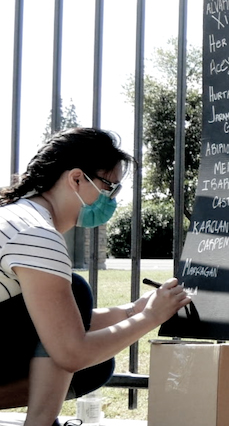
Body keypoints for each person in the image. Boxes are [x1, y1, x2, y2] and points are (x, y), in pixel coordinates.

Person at [0, 128, 191, 426]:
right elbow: (71, 353)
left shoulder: (17, 217)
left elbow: (50, 320)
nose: (111, 199)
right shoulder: (36, 234)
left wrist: (135, 310)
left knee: (96, 365)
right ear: (76, 178)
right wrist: (150, 317)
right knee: (77, 294)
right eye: (109, 187)